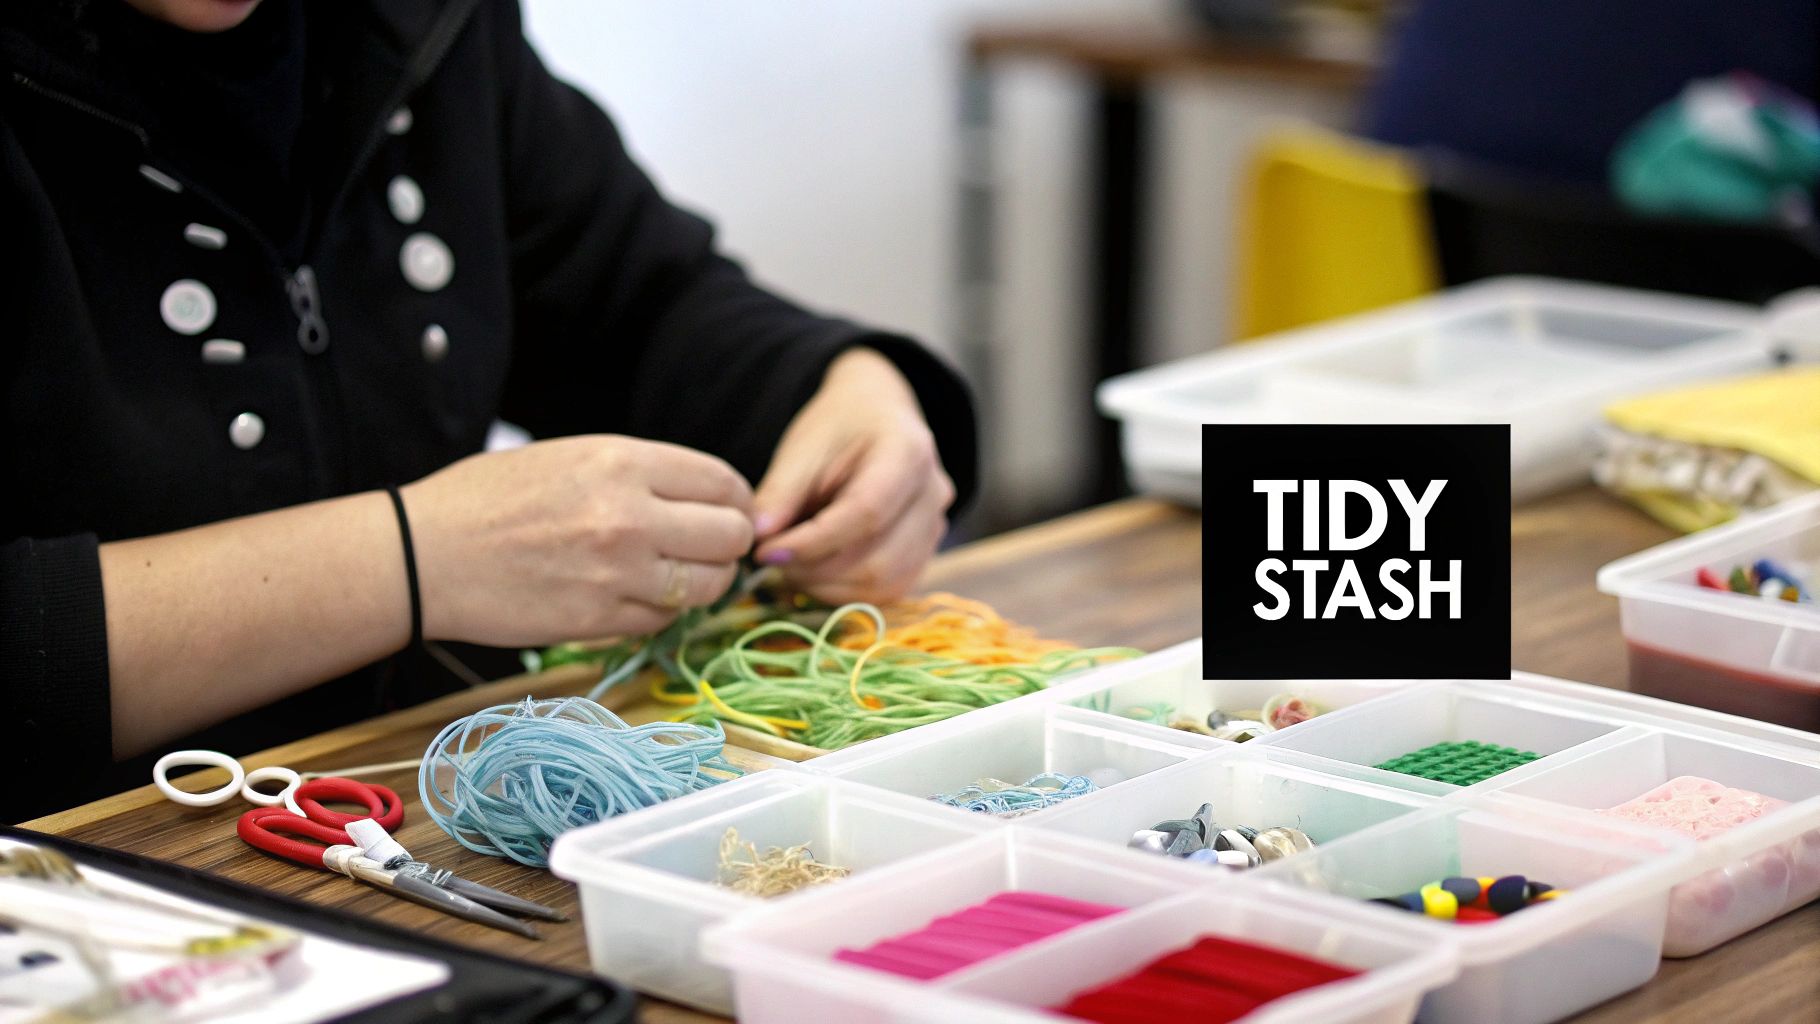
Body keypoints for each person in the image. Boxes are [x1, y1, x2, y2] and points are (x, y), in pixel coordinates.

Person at [0, 0, 976, 822]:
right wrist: (410, 559)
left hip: (421, 819)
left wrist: (849, 389)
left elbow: (639, 306)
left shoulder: (419, 23)